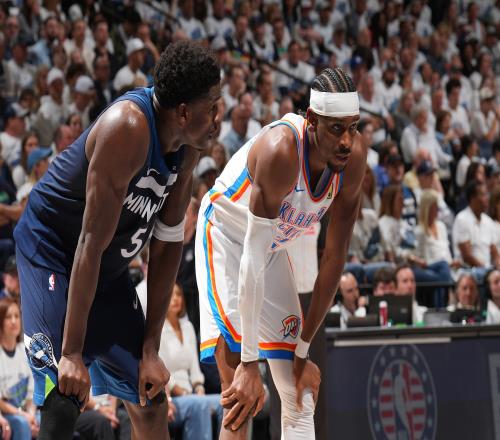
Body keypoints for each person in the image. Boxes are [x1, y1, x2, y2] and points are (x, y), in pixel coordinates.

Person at [14, 41, 221, 439]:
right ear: (183, 112)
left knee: (151, 397)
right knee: (63, 395)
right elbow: (88, 243)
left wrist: (150, 349)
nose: (217, 118)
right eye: (212, 106)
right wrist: (72, 353)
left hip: (104, 267)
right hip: (53, 251)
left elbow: (168, 243)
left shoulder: (187, 149)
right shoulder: (127, 127)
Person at [195, 67, 365, 438]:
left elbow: (334, 258)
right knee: (240, 393)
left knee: (300, 390)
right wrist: (249, 362)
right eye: (336, 128)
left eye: (353, 127)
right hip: (225, 237)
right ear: (312, 120)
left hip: (267, 248)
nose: (346, 141)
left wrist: (302, 350)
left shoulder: (352, 160)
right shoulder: (281, 150)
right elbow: (250, 260)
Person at [159, 283, 222, 439]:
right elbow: (162, 373)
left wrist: (199, 389)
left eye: (178, 294)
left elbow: (195, 369)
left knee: (227, 404)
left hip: (192, 394)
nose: (176, 299)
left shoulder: (188, 327)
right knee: (199, 404)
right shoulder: (158, 331)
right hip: (171, 398)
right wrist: (183, 392)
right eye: (171, 295)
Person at [0, 298, 39, 440]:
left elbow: (32, 393)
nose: (14, 321)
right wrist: (23, 415)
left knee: (48, 420)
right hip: (8, 413)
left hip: (26, 412)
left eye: (17, 316)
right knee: (22, 424)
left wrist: (31, 415)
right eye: (8, 317)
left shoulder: (26, 351)